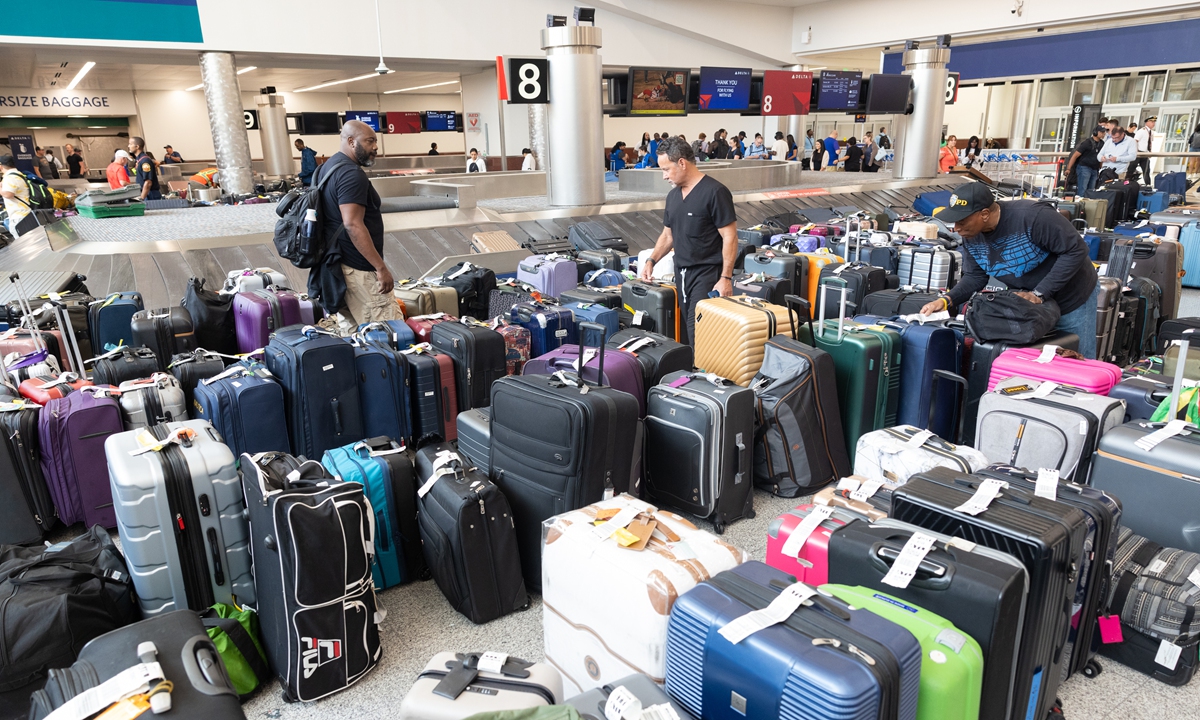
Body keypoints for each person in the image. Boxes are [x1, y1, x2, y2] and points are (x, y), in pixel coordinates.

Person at [919, 182, 1102, 359]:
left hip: (1072, 297)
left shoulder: (1033, 217)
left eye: (962, 221)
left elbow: (1075, 250)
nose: (956, 229)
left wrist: (1040, 292)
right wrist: (946, 300)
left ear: (984, 214)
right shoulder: (971, 236)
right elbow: (975, 277)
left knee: (1077, 359)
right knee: (1038, 361)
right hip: (1032, 304)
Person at [639, 137, 737, 346]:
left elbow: (730, 236)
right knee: (689, 332)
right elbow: (668, 236)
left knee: (700, 333)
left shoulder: (715, 192)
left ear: (682, 163)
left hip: (707, 274)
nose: (664, 176)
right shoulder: (673, 196)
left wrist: (726, 278)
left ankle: (704, 375)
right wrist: (651, 261)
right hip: (682, 274)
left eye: (666, 169)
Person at [310, 119, 402, 326]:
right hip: (360, 271)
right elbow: (352, 224)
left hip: (336, 267)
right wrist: (380, 268)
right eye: (369, 141)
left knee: (356, 338)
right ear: (351, 142)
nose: (375, 147)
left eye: (375, 141)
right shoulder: (352, 174)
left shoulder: (326, 168)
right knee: (389, 334)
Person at [1065, 125, 1105, 197]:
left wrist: (1100, 169)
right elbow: (1075, 155)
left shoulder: (1102, 143)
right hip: (1084, 167)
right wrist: (1068, 168)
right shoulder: (1087, 143)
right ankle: (1080, 205)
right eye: (1101, 132)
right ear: (1095, 132)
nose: (1103, 134)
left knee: (1091, 191)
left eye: (1104, 132)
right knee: (1082, 189)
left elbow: (1101, 158)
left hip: (1095, 169)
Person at [0, 154, 32, 237]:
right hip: (25, 213)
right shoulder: (18, 174)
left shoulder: (10, 177)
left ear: (1, 166)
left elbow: (8, 194)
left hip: (19, 216)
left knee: (24, 243)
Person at [127, 137, 161, 201]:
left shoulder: (145, 161)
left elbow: (148, 182)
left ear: (137, 146)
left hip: (150, 195)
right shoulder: (139, 160)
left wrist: (142, 198)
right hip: (145, 193)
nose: (128, 146)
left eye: (130, 144)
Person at [1129, 116, 1156, 184]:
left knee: (1146, 170)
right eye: (1152, 122)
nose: (1154, 123)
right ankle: (1127, 183)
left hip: (1145, 153)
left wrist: (1150, 152)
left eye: (1154, 122)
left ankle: (1148, 185)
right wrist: (1136, 151)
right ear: (1147, 122)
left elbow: (1149, 142)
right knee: (1131, 169)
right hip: (1138, 153)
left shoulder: (1151, 132)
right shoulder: (1142, 131)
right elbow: (1135, 141)